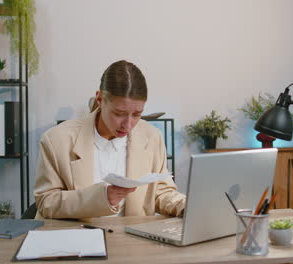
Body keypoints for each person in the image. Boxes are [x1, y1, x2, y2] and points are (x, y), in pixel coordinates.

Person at [34, 60, 186, 219]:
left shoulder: (152, 136)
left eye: (136, 114)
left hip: (132, 238)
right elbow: (46, 202)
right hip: (77, 235)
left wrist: (183, 206)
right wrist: (102, 198)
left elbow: (161, 193)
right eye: (119, 114)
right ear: (99, 99)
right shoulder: (56, 139)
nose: (128, 125)